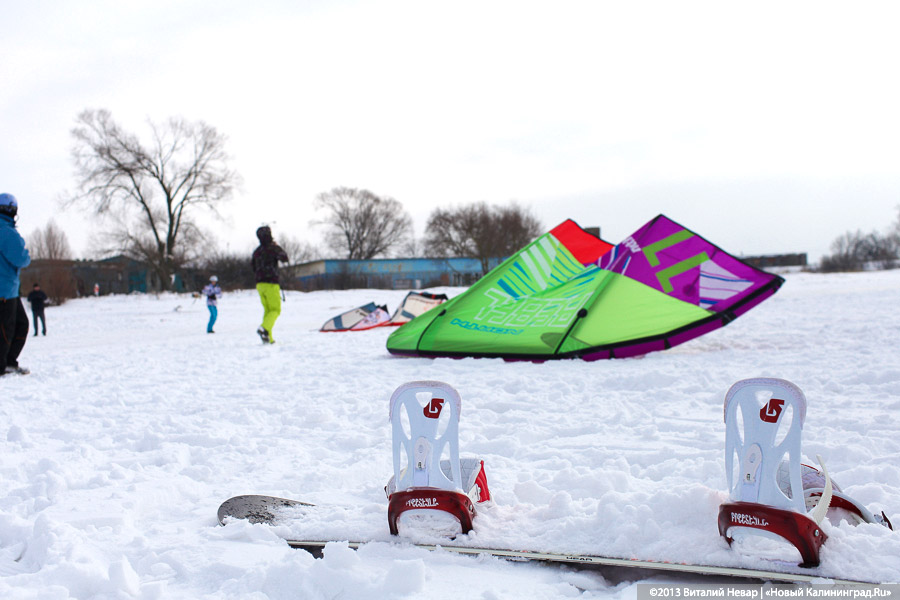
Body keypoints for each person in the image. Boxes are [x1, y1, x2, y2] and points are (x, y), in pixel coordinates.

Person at [0, 193, 31, 376]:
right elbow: (21, 258)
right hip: (5, 291)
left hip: (8, 290)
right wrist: (27, 254)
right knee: (7, 329)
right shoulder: (6, 232)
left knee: (20, 324)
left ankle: (9, 362)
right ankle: (3, 365)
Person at [251, 225, 288, 343]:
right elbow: (285, 258)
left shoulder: (257, 251)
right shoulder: (273, 248)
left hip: (259, 284)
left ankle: (268, 338)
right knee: (275, 310)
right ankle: (264, 328)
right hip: (271, 282)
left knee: (268, 310)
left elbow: (253, 267)